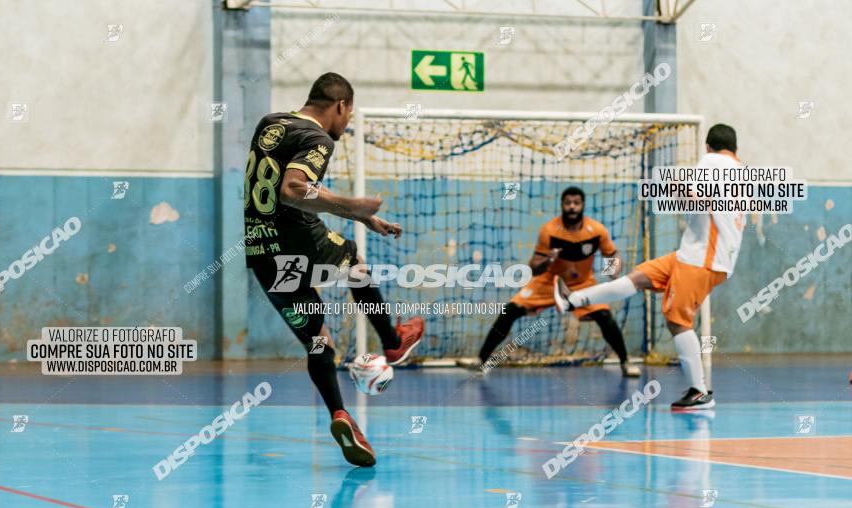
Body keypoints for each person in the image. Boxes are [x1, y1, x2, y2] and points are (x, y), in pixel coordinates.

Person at [244, 72, 424, 466]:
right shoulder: (318, 138)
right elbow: (292, 189)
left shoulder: (270, 123)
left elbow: (281, 188)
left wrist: (360, 216)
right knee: (355, 263)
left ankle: (341, 414)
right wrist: (354, 204)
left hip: (261, 250)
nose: (347, 122)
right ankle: (391, 340)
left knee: (318, 339)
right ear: (341, 106)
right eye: (350, 114)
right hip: (299, 242)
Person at [555, 124, 744, 410]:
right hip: (697, 254)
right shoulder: (740, 170)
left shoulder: (712, 162)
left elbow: (697, 198)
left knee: (677, 321)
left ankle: (699, 392)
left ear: (707, 146)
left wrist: (677, 188)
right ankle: (574, 300)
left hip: (703, 258)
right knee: (638, 278)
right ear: (735, 148)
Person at [467, 186, 640, 378]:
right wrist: (548, 260)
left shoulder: (596, 230)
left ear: (582, 205)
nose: (572, 207)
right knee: (510, 311)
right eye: (568, 203)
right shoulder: (549, 230)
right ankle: (481, 361)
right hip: (549, 282)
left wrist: (612, 272)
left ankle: (625, 362)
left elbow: (612, 254)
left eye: (576, 203)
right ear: (562, 205)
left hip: (583, 284)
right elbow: (533, 267)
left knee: (605, 317)